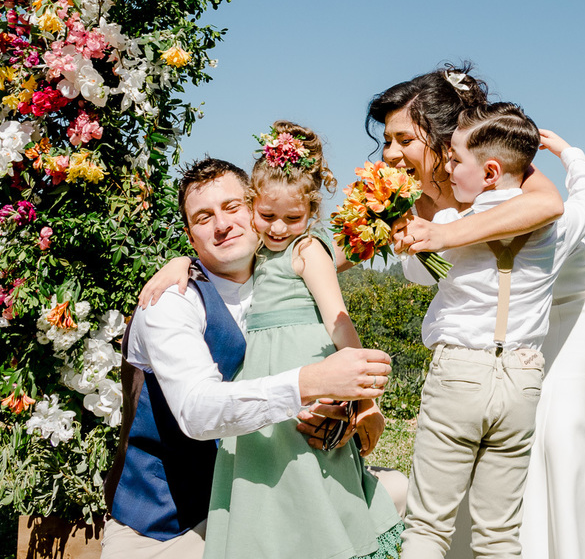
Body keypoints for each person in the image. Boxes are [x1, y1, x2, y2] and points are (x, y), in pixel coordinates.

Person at [369, 65, 585, 559]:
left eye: (402, 139)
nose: (390, 153)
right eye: (386, 141)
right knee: (497, 438)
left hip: (569, 302)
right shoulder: (410, 197)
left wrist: (443, 234)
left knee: (557, 434)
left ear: (440, 134)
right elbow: (421, 268)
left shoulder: (490, 160)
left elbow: (552, 206)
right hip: (496, 336)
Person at [103, 157, 394, 559]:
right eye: (203, 217)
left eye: (232, 207)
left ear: (255, 212)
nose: (222, 225)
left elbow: (329, 322)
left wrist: (346, 409)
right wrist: (313, 381)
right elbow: (198, 412)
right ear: (190, 236)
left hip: (274, 492)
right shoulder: (171, 302)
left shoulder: (280, 276)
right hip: (173, 521)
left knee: (404, 499)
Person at [399, 103, 585, 559]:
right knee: (499, 534)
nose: (448, 167)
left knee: (428, 527)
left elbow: (414, 272)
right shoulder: (559, 230)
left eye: (454, 158)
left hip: (458, 373)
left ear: (490, 172)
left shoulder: (450, 227)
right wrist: (567, 153)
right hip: (522, 379)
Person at [201, 122, 403, 559]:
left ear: (311, 213)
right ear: (252, 205)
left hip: (309, 367)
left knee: (309, 471)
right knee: (263, 473)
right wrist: (178, 265)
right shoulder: (254, 248)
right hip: (260, 370)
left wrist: (367, 401)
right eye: (267, 216)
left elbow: (338, 322)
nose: (277, 228)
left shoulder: (307, 250)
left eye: (293, 218)